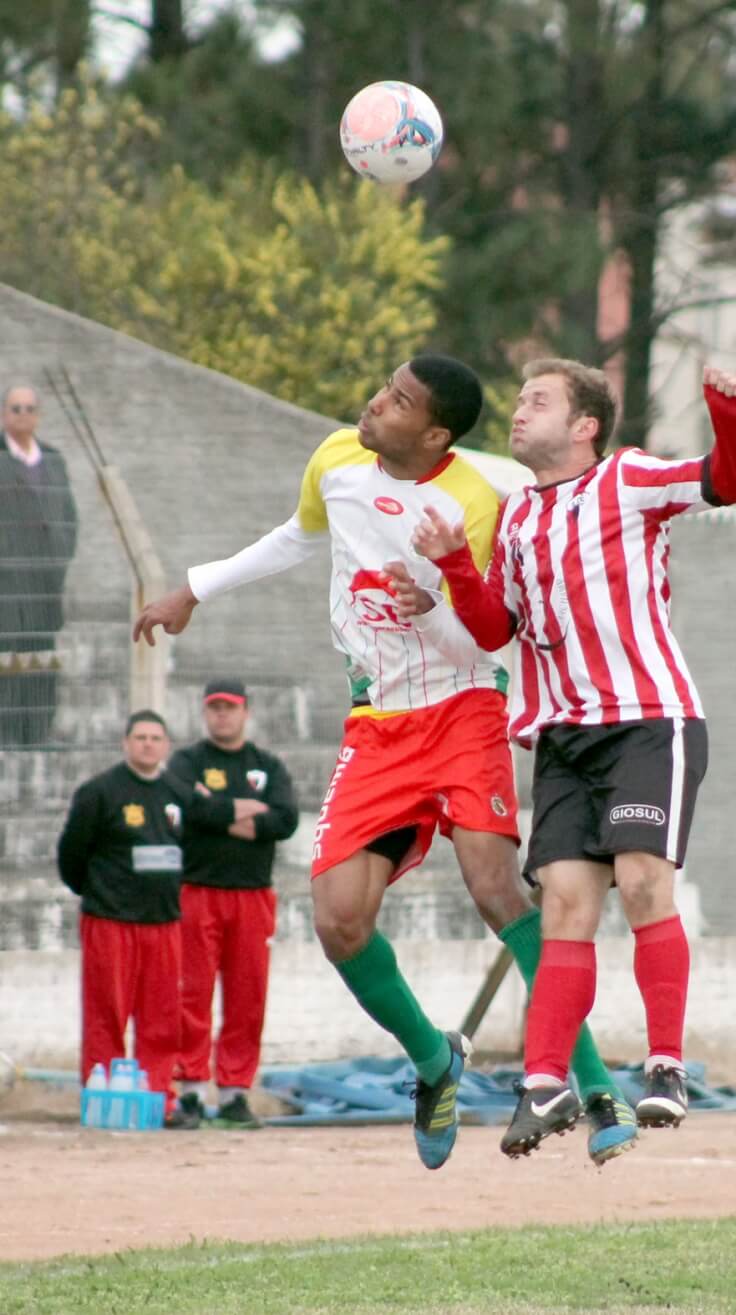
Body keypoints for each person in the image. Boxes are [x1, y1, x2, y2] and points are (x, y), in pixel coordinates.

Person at [132, 354, 630, 1170]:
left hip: (465, 702)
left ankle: (594, 1080)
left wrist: (433, 609)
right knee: (337, 918)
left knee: (495, 888)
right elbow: (299, 535)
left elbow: (488, 632)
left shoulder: (478, 500)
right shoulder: (335, 459)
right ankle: (437, 1063)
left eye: (399, 400)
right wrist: (196, 586)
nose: (376, 402)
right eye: (384, 387)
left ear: (433, 431)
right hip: (378, 723)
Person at [388, 359, 736, 1159]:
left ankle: (665, 1065)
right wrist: (453, 564)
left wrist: (732, 414)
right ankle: (546, 1081)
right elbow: (494, 627)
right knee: (562, 903)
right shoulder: (517, 517)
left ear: (585, 425)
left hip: (648, 718)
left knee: (643, 879)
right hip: (562, 734)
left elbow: (726, 482)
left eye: (538, 401)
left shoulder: (629, 478)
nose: (519, 412)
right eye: (519, 399)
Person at [167, 678, 299, 1130]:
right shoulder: (188, 762)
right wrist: (245, 811)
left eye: (230, 708)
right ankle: (188, 1091)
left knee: (247, 997)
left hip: (252, 896)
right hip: (197, 892)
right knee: (192, 993)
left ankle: (234, 1094)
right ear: (205, 712)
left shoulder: (268, 766)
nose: (222, 715)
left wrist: (217, 810)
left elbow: (283, 821)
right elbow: (186, 808)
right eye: (214, 708)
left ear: (245, 712)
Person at [56, 710, 188, 1118]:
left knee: (162, 1020)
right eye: (140, 737)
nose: (148, 744)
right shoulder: (99, 792)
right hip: (111, 922)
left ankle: (158, 1099)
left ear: (166, 746)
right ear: (126, 743)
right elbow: (71, 856)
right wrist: (100, 894)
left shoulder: (176, 793)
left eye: (155, 738)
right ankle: (103, 1098)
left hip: (163, 924)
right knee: (106, 1015)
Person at [0, 383, 78, 747]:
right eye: (15, 408)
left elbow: (68, 516)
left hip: (45, 584)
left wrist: (60, 556)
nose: (23, 415)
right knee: (8, 660)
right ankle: (10, 733)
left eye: (29, 408)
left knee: (42, 659)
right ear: (4, 414)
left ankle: (39, 732)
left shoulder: (53, 460)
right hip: (7, 585)